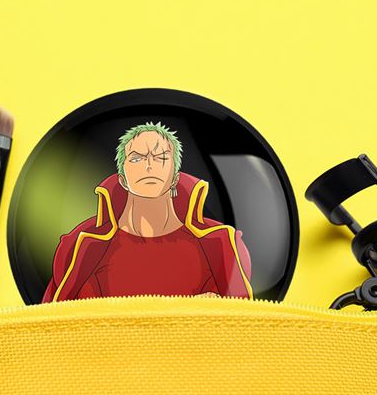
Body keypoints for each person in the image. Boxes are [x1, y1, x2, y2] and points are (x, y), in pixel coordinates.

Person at [42, 121, 254, 302]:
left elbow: (243, 324)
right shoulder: (80, 247)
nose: (149, 165)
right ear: (122, 179)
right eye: (136, 158)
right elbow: (51, 321)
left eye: (161, 157)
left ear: (176, 178)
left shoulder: (222, 246)